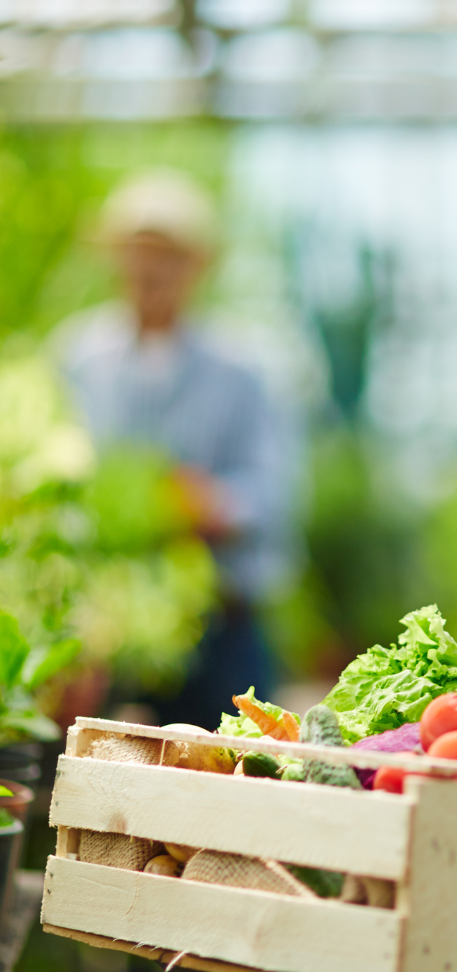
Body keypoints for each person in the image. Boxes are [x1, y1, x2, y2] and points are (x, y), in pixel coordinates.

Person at [56, 169, 299, 727]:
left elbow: (275, 493)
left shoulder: (243, 368)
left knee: (223, 776)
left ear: (197, 267)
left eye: (168, 255)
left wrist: (207, 504)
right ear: (115, 261)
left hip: (222, 630)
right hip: (106, 635)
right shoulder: (78, 358)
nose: (150, 270)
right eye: (137, 254)